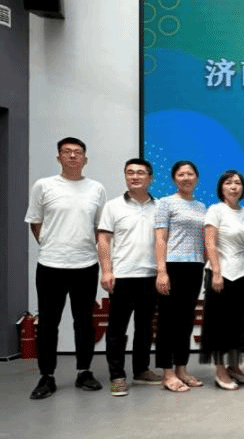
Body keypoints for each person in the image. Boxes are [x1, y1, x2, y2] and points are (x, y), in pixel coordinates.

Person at [25, 137, 107, 400]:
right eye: (67, 152)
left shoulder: (96, 189)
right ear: (58, 157)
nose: (72, 156)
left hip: (86, 264)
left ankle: (84, 371)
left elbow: (100, 227)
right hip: (51, 264)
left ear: (85, 159)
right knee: (48, 323)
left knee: (84, 322)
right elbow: (35, 221)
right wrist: (51, 244)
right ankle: (46, 376)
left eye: (78, 152)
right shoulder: (44, 186)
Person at [97, 158, 163, 397]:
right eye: (130, 173)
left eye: (141, 172)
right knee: (117, 329)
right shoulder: (113, 206)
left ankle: (141, 370)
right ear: (125, 176)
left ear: (150, 178)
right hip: (122, 275)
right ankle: (117, 375)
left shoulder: (160, 207)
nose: (135, 176)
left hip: (150, 275)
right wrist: (106, 271)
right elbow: (104, 240)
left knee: (145, 328)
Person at [199, 170, 244, 391]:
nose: (233, 186)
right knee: (218, 324)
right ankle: (220, 370)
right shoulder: (215, 210)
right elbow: (210, 243)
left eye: (237, 183)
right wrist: (216, 272)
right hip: (221, 274)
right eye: (229, 183)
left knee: (239, 323)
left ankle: (235, 366)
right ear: (221, 187)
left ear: (243, 188)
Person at [154, 160, 207, 393]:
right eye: (181, 174)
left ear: (197, 178)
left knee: (186, 321)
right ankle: (167, 373)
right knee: (167, 321)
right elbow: (160, 238)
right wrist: (161, 271)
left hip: (195, 267)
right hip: (172, 266)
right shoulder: (165, 203)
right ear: (174, 178)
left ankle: (182, 369)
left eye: (190, 174)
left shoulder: (201, 206)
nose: (186, 178)